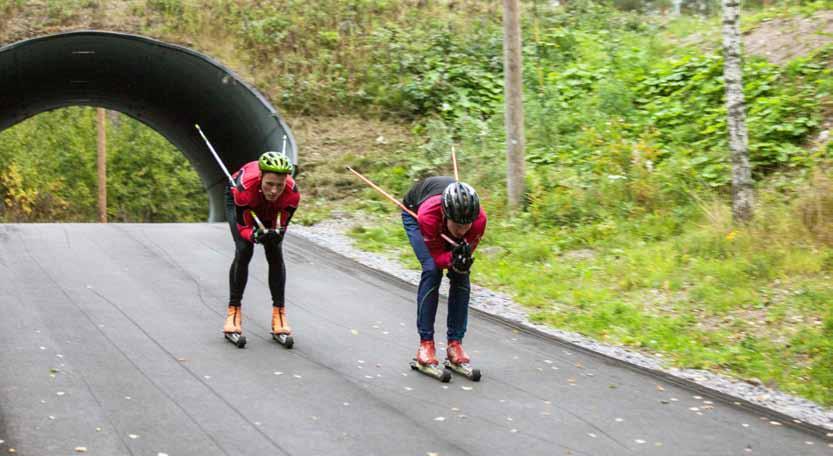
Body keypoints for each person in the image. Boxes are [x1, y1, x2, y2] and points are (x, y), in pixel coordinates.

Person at [401, 176, 487, 367]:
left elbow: (462, 258)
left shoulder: (479, 221)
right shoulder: (429, 217)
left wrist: (459, 261)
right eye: (458, 225)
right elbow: (438, 258)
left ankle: (455, 344)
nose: (463, 230)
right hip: (414, 212)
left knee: (461, 274)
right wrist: (450, 259)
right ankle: (426, 344)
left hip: (443, 215)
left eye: (467, 226)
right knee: (432, 271)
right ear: (446, 216)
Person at [223, 151, 300, 338]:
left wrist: (275, 234)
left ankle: (279, 314)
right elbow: (243, 229)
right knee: (244, 249)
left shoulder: (291, 195)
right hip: (242, 201)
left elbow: (281, 229)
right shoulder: (244, 190)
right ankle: (233, 312)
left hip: (274, 207)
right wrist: (255, 235)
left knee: (275, 251)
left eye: (279, 185)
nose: (274, 190)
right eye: (269, 184)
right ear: (261, 177)